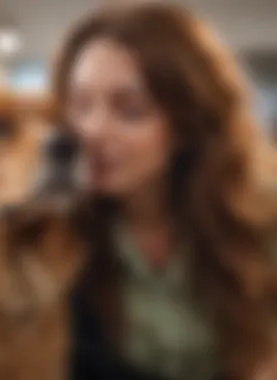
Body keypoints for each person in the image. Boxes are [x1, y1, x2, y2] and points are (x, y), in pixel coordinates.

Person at [52, 3, 277, 380]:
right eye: (80, 105)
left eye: (131, 110)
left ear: (189, 124)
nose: (92, 131)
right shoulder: (54, 228)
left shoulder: (260, 212)